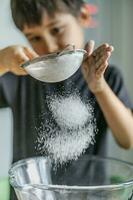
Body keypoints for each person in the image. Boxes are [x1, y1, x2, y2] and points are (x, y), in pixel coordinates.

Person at [0, 0, 133, 199]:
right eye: (34, 37)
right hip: (30, 194)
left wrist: (99, 87)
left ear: (83, 17)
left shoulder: (108, 76)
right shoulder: (19, 78)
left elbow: (127, 139)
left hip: (90, 194)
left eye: (56, 30)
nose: (49, 46)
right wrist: (1, 62)